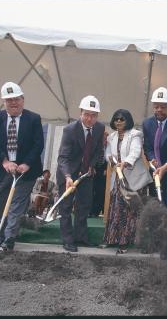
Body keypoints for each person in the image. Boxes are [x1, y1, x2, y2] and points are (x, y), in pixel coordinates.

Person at [0, 82, 44, 251]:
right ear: (3, 102)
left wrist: (27, 163)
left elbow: (38, 144)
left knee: (17, 205)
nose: (13, 103)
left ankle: (9, 239)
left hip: (25, 172)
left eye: (16, 99)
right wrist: (4, 161)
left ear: (23, 100)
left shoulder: (33, 119)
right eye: (9, 100)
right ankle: (0, 236)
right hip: (0, 170)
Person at [56, 95, 105, 253]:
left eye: (94, 115)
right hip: (68, 173)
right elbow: (62, 157)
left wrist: (91, 165)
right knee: (66, 206)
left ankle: (81, 237)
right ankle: (68, 240)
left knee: (84, 205)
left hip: (86, 173)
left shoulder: (99, 128)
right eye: (87, 114)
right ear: (81, 113)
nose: (90, 119)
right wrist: (68, 176)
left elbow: (98, 151)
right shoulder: (70, 130)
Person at [104, 109, 152, 254]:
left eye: (122, 119)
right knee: (117, 210)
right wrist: (111, 161)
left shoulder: (135, 134)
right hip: (119, 180)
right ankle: (113, 239)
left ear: (128, 120)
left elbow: (136, 152)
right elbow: (108, 154)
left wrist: (125, 163)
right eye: (116, 119)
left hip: (134, 181)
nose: (118, 121)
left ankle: (126, 243)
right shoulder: (111, 137)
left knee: (131, 212)